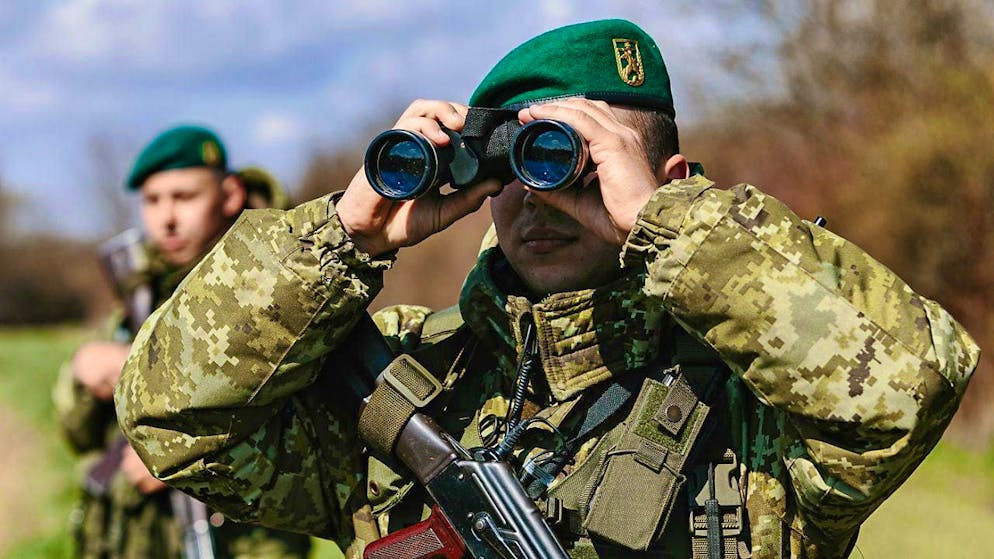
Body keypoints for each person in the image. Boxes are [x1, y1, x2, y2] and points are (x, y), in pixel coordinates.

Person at [116, 21, 979, 559]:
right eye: (516, 166)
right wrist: (343, 238)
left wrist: (665, 222)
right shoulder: (406, 378)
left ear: (667, 178)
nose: (540, 196)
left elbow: (910, 383)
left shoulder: (760, 402)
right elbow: (168, 414)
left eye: (569, 162)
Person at [54, 125, 312, 558]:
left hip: (243, 542)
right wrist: (86, 373)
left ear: (229, 195)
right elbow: (78, 435)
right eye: (153, 201)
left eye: (184, 197)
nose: (167, 218)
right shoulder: (139, 291)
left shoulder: (276, 280)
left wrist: (177, 459)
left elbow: (306, 425)